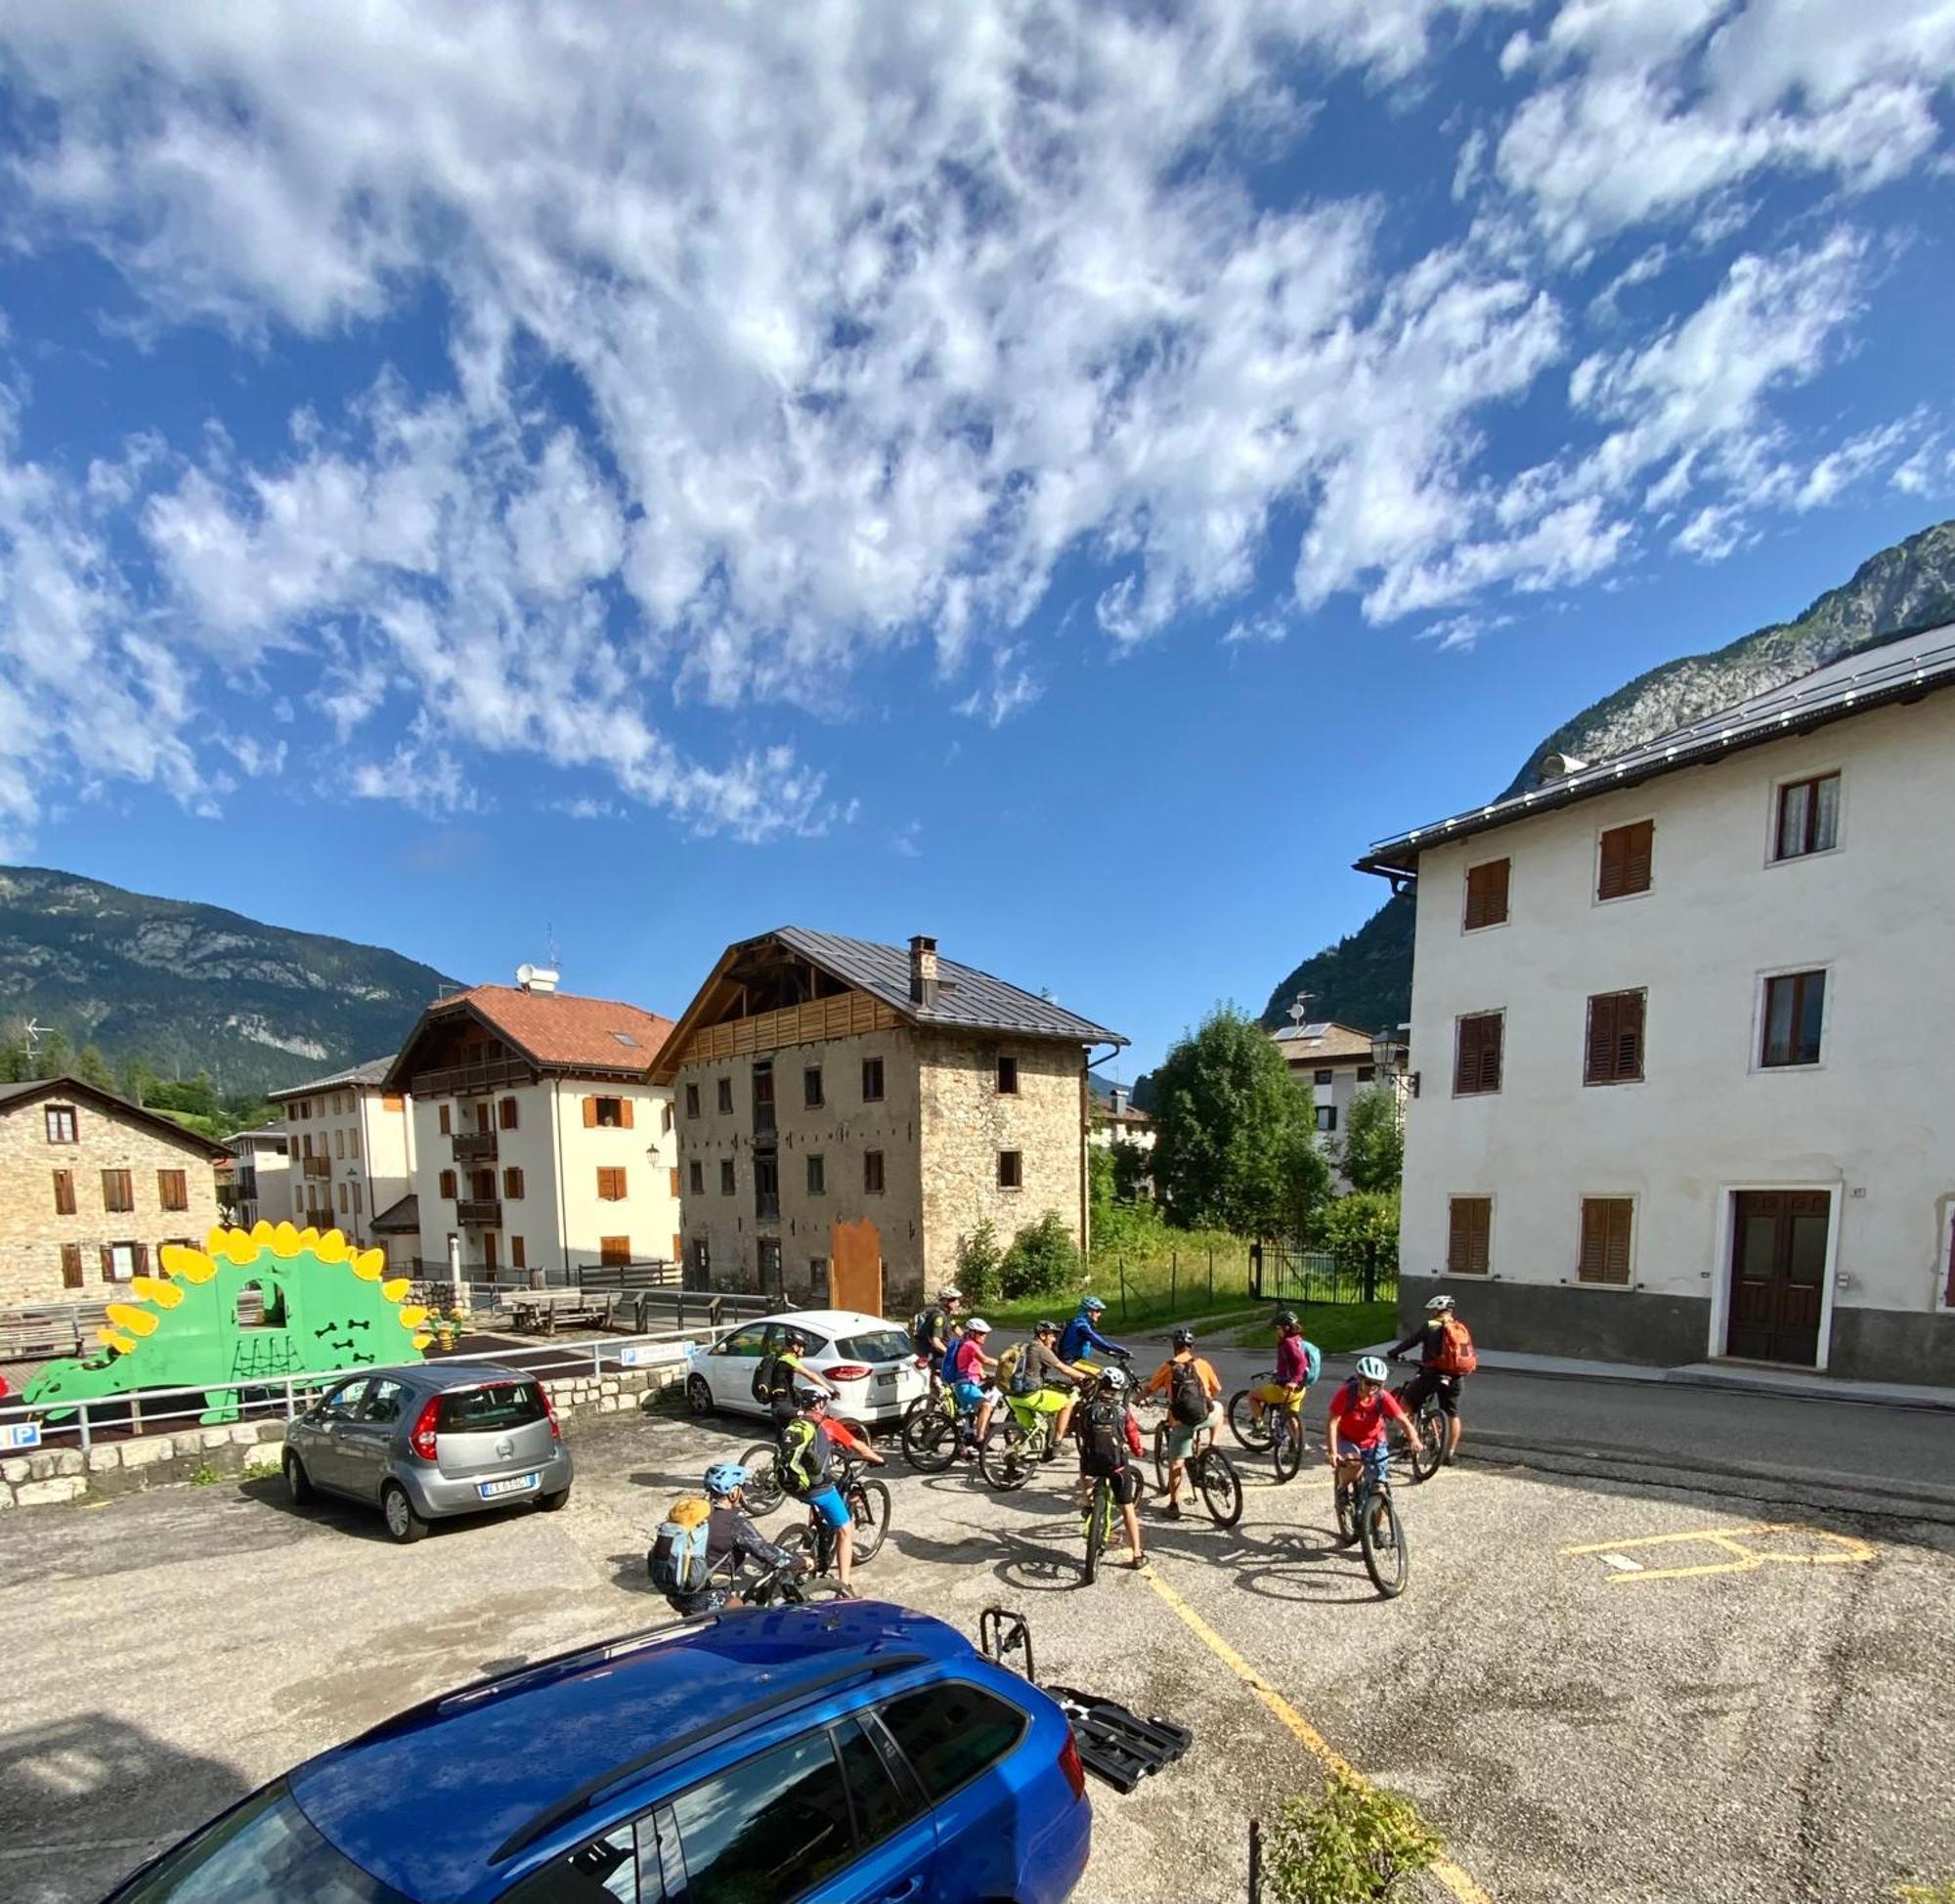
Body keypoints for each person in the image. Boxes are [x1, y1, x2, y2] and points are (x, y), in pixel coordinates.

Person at [662, 1462, 806, 1616]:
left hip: (676, 1592)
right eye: (742, 1488)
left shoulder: (695, 1515)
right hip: (704, 1596)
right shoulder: (734, 1522)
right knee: (744, 1620)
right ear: (734, 1493)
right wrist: (800, 1562)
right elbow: (766, 1552)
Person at [775, 1388, 873, 1593]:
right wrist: (878, 1458)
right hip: (817, 1488)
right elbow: (859, 1447)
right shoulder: (828, 1425)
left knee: (817, 1500)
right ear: (819, 1406)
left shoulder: (795, 1422)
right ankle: (844, 1585)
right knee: (845, 1530)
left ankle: (813, 1528)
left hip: (793, 1485)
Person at [1325, 1355, 1422, 1543]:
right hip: (1347, 1438)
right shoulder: (1346, 1394)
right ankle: (1342, 1489)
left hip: (1374, 1441)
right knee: (1354, 1464)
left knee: (1380, 1488)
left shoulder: (1382, 1397)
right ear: (1360, 1379)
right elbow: (1332, 1422)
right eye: (1369, 1382)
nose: (1372, 1388)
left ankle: (1377, 1531)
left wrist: (1414, 1439)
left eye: (1377, 1384)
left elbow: (1402, 1420)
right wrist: (1332, 1451)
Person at [1142, 1327, 1223, 1520]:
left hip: (1181, 1421)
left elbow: (1149, 1389)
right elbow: (1217, 1388)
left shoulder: (1168, 1366)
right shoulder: (1202, 1363)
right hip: (1204, 1415)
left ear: (1174, 1347)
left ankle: (1174, 1504)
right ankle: (1213, 1446)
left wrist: (1138, 1400)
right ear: (1191, 1347)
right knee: (1219, 1410)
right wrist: (1207, 1400)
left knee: (1176, 1462)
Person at [1076, 1366, 1147, 1569]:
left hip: (1092, 1462)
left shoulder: (1088, 1407)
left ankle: (1089, 1500)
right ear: (1118, 1390)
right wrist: (1139, 1451)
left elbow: (1083, 1434)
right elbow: (1132, 1434)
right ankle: (1137, 1554)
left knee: (1084, 1468)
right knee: (1127, 1508)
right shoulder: (1122, 1411)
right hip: (1116, 1465)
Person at [1389, 1293, 1470, 1461]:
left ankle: (1406, 1439)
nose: (1432, 1312)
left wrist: (1394, 1352)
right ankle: (1450, 1453)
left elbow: (1411, 1342)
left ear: (1437, 1310)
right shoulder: (1459, 1327)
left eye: (1433, 1309)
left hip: (1432, 1374)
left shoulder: (1430, 1325)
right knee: (1452, 1414)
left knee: (1407, 1402)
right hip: (1455, 1376)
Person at [1248, 1309, 1320, 1449]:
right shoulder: (1298, 1340)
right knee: (1290, 1417)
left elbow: (1301, 1363)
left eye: (1278, 1328)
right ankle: (1296, 1447)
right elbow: (1292, 1363)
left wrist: (1293, 1380)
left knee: (1252, 1396)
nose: (1276, 1331)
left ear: (1285, 1328)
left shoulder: (1287, 1343)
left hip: (1284, 1389)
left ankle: (1258, 1427)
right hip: (1300, 1389)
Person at [756, 1328, 838, 1428]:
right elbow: (811, 1375)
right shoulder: (788, 1359)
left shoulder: (782, 1357)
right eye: (803, 1347)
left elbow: (784, 1382)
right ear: (795, 1347)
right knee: (812, 1418)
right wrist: (831, 1390)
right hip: (784, 1406)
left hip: (783, 1403)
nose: (804, 1350)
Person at [947, 1317, 997, 1455]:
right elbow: (985, 1359)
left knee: (970, 1414)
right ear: (972, 1333)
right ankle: (980, 1439)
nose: (984, 1336)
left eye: (985, 1333)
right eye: (981, 1333)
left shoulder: (968, 1344)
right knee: (986, 1405)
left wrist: (983, 1375)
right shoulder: (971, 1345)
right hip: (966, 1386)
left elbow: (974, 1366)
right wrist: (1004, 1363)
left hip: (965, 1384)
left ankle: (965, 1444)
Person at [911, 1285, 964, 1392]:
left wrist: (967, 1341)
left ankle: (940, 1396)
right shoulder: (938, 1317)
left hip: (939, 1352)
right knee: (959, 1370)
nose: (957, 1303)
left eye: (957, 1299)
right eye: (954, 1300)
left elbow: (955, 1328)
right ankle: (940, 1394)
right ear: (944, 1301)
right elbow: (936, 1342)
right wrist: (950, 1354)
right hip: (933, 1354)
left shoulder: (947, 1314)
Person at [1058, 1295, 1127, 1368]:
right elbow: (1097, 1340)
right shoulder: (1081, 1326)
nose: (1099, 1314)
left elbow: (1094, 1344)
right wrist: (1120, 1349)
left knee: (1101, 1374)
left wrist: (1110, 1352)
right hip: (1071, 1360)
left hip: (1075, 1359)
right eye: (1097, 1311)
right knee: (1102, 1374)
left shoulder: (1081, 1323)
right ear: (1089, 1311)